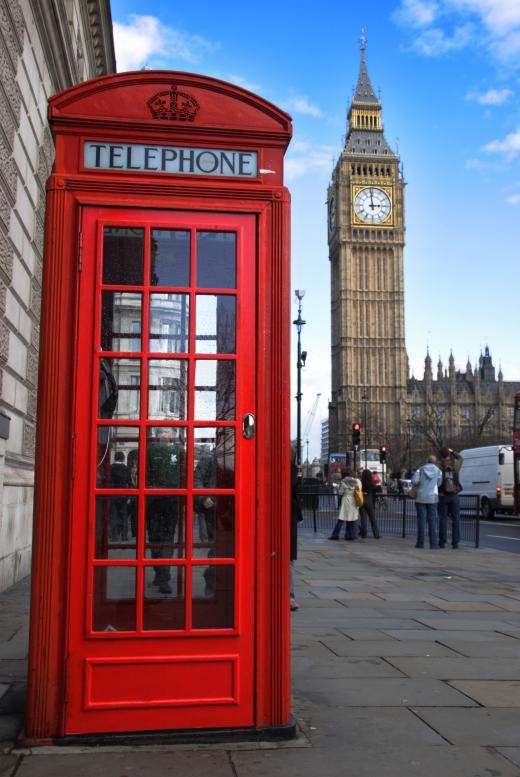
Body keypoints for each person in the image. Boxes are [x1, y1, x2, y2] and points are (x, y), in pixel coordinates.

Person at [146, 427, 183, 594]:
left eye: (167, 432)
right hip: (152, 501)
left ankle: (164, 578)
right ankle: (158, 573)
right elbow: (143, 474)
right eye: (160, 432)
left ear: (174, 435)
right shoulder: (149, 451)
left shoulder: (180, 451)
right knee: (154, 539)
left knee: (167, 539)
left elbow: (186, 474)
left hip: (172, 501)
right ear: (156, 435)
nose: (163, 435)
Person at [411, 455, 442, 549]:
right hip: (433, 497)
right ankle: (433, 544)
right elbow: (439, 483)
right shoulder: (438, 471)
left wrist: (418, 475)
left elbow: (414, 481)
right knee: (432, 521)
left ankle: (420, 543)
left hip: (421, 497)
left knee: (421, 520)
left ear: (427, 461)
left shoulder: (421, 469)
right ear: (434, 462)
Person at [438, 446, 463, 549]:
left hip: (443, 495)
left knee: (443, 518)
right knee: (456, 518)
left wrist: (439, 491)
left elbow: (438, 480)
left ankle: (442, 541)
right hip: (454, 494)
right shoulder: (455, 464)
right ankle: (455, 542)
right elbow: (461, 458)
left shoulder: (439, 466)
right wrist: (453, 451)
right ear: (449, 454)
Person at [328, 467, 361, 540]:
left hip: (346, 500)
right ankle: (351, 535)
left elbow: (340, 493)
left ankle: (335, 535)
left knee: (341, 518)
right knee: (352, 518)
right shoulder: (357, 481)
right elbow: (359, 489)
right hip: (353, 500)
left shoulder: (343, 482)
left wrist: (337, 487)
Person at [109, 451, 132, 541]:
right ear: (123, 458)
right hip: (123, 495)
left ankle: (114, 536)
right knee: (124, 516)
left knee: (113, 516)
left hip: (112, 494)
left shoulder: (110, 468)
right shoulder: (126, 468)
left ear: (115, 458)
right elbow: (129, 482)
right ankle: (124, 536)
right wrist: (129, 496)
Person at [290, 451, 303, 610]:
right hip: (288, 513)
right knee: (288, 560)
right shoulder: (291, 468)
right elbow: (295, 490)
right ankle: (289, 596)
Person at [359, 469, 381, 539]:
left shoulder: (361, 482)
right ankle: (376, 534)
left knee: (363, 519)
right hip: (369, 501)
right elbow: (378, 489)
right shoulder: (371, 483)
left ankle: (364, 534)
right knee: (372, 519)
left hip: (362, 501)